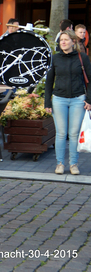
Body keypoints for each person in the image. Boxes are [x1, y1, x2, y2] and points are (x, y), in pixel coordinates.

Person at [44, 29, 91, 175]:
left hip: (78, 99)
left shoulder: (82, 57)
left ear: (73, 41)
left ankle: (73, 164)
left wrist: (89, 99)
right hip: (59, 99)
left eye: (66, 39)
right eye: (61, 40)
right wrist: (47, 103)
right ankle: (60, 163)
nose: (63, 42)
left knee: (74, 133)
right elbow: (49, 81)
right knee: (61, 133)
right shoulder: (55, 58)